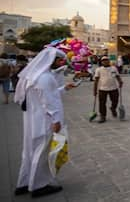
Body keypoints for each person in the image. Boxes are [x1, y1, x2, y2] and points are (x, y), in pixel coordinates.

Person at [13, 47, 78, 197]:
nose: (61, 62)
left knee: (29, 151)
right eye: (59, 60)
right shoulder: (45, 78)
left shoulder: (35, 76)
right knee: (41, 153)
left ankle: (23, 183)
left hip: (33, 119)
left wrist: (65, 88)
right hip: (45, 120)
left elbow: (46, 95)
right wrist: (56, 120)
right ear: (51, 60)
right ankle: (38, 186)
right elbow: (49, 101)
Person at [94, 56, 123, 123]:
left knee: (115, 100)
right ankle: (103, 116)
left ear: (109, 61)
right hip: (102, 88)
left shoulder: (114, 68)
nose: (105, 61)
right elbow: (96, 80)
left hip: (113, 88)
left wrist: (120, 81)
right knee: (102, 103)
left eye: (106, 60)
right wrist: (95, 90)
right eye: (103, 60)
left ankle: (113, 108)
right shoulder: (98, 69)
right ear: (101, 62)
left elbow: (117, 76)